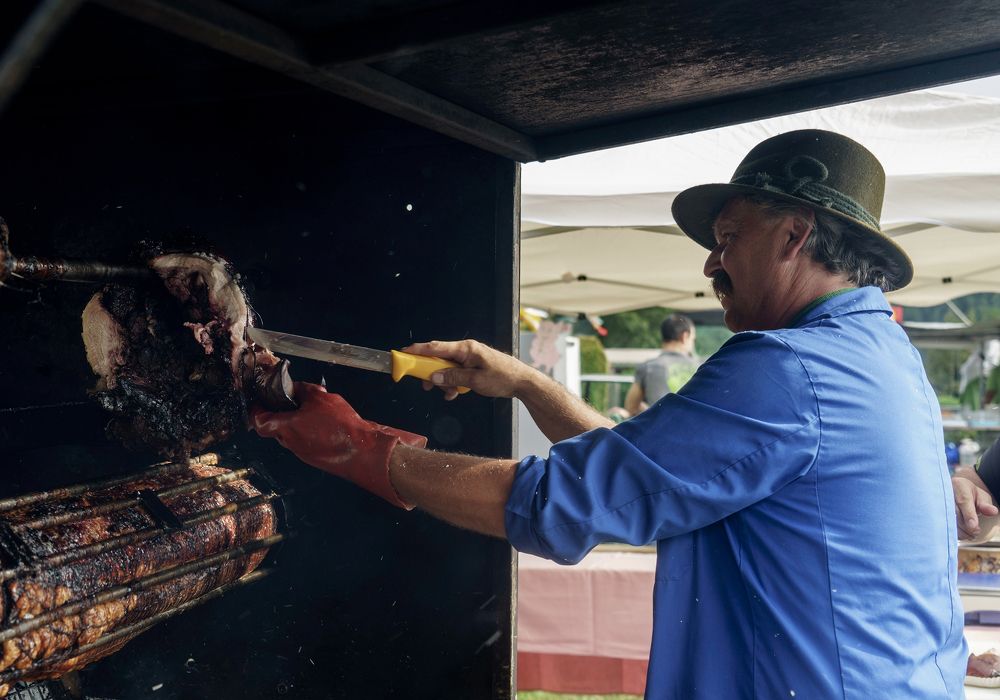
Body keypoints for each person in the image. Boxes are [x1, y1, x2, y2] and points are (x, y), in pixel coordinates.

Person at [252, 130, 966, 698]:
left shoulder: (789, 369)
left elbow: (561, 502)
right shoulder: (882, 360)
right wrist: (531, 384)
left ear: (794, 237)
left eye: (728, 238)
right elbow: (652, 477)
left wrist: (362, 448)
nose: (712, 266)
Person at [623, 313, 698, 415]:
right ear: (684, 336)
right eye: (693, 339)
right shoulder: (701, 366)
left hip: (661, 428)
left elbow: (631, 407)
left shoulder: (648, 367)